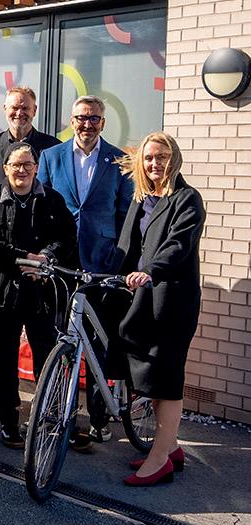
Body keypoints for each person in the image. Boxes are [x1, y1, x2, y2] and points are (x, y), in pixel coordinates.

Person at [37, 95, 133, 446]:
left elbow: (125, 215)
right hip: (62, 263)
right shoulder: (51, 157)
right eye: (81, 117)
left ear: (102, 123)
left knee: (96, 341)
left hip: (101, 263)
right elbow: (42, 206)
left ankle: (98, 416)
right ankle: (58, 411)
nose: (87, 124)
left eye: (94, 118)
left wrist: (120, 260)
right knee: (59, 338)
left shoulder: (120, 160)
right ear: (71, 120)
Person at [0, 142, 76, 449]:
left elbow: (67, 237)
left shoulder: (52, 200)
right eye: (16, 165)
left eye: (28, 164)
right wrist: (26, 260)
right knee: (3, 361)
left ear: (36, 168)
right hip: (1, 293)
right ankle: (9, 422)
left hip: (42, 292)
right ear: (5, 168)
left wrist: (46, 259)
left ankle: (47, 416)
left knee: (47, 357)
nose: (22, 170)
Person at [114, 132, 204, 487]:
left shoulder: (187, 198)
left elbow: (178, 245)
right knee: (152, 376)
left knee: (166, 379)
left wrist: (150, 271)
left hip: (172, 300)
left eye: (162, 157)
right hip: (143, 297)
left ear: (174, 159)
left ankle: (159, 460)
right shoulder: (143, 197)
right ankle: (171, 447)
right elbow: (128, 245)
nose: (155, 163)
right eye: (149, 157)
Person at [0, 86, 61, 417]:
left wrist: (42, 257)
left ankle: (48, 408)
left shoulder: (52, 148)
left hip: (40, 271)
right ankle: (0, 397)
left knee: (44, 342)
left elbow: (54, 207)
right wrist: (9, 254)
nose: (19, 113)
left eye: (26, 108)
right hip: (1, 266)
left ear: (34, 110)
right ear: (5, 110)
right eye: (13, 107)